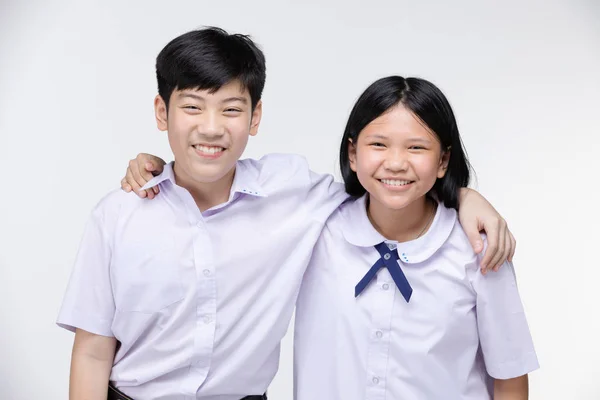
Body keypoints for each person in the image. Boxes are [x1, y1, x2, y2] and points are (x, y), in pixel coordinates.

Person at [58, 27, 514, 400]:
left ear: (255, 118)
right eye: (192, 107)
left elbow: (388, 184)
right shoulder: (119, 214)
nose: (211, 127)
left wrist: (464, 195)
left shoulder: (292, 193)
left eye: (231, 109)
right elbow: (93, 352)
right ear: (163, 112)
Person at [293, 76, 538, 400]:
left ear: (443, 161)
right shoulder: (315, 228)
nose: (396, 163)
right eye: (378, 144)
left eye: (416, 147)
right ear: (353, 153)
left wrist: (463, 196)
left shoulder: (479, 249)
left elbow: (510, 377)